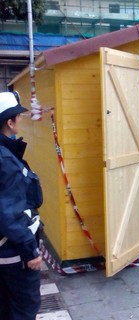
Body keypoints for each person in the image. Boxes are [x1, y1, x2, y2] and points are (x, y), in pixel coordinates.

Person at [0, 91, 43, 319]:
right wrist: (30, 251)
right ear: (9, 122)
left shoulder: (7, 153)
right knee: (24, 309)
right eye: (18, 116)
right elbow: (9, 212)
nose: (21, 119)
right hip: (13, 253)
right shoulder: (6, 160)